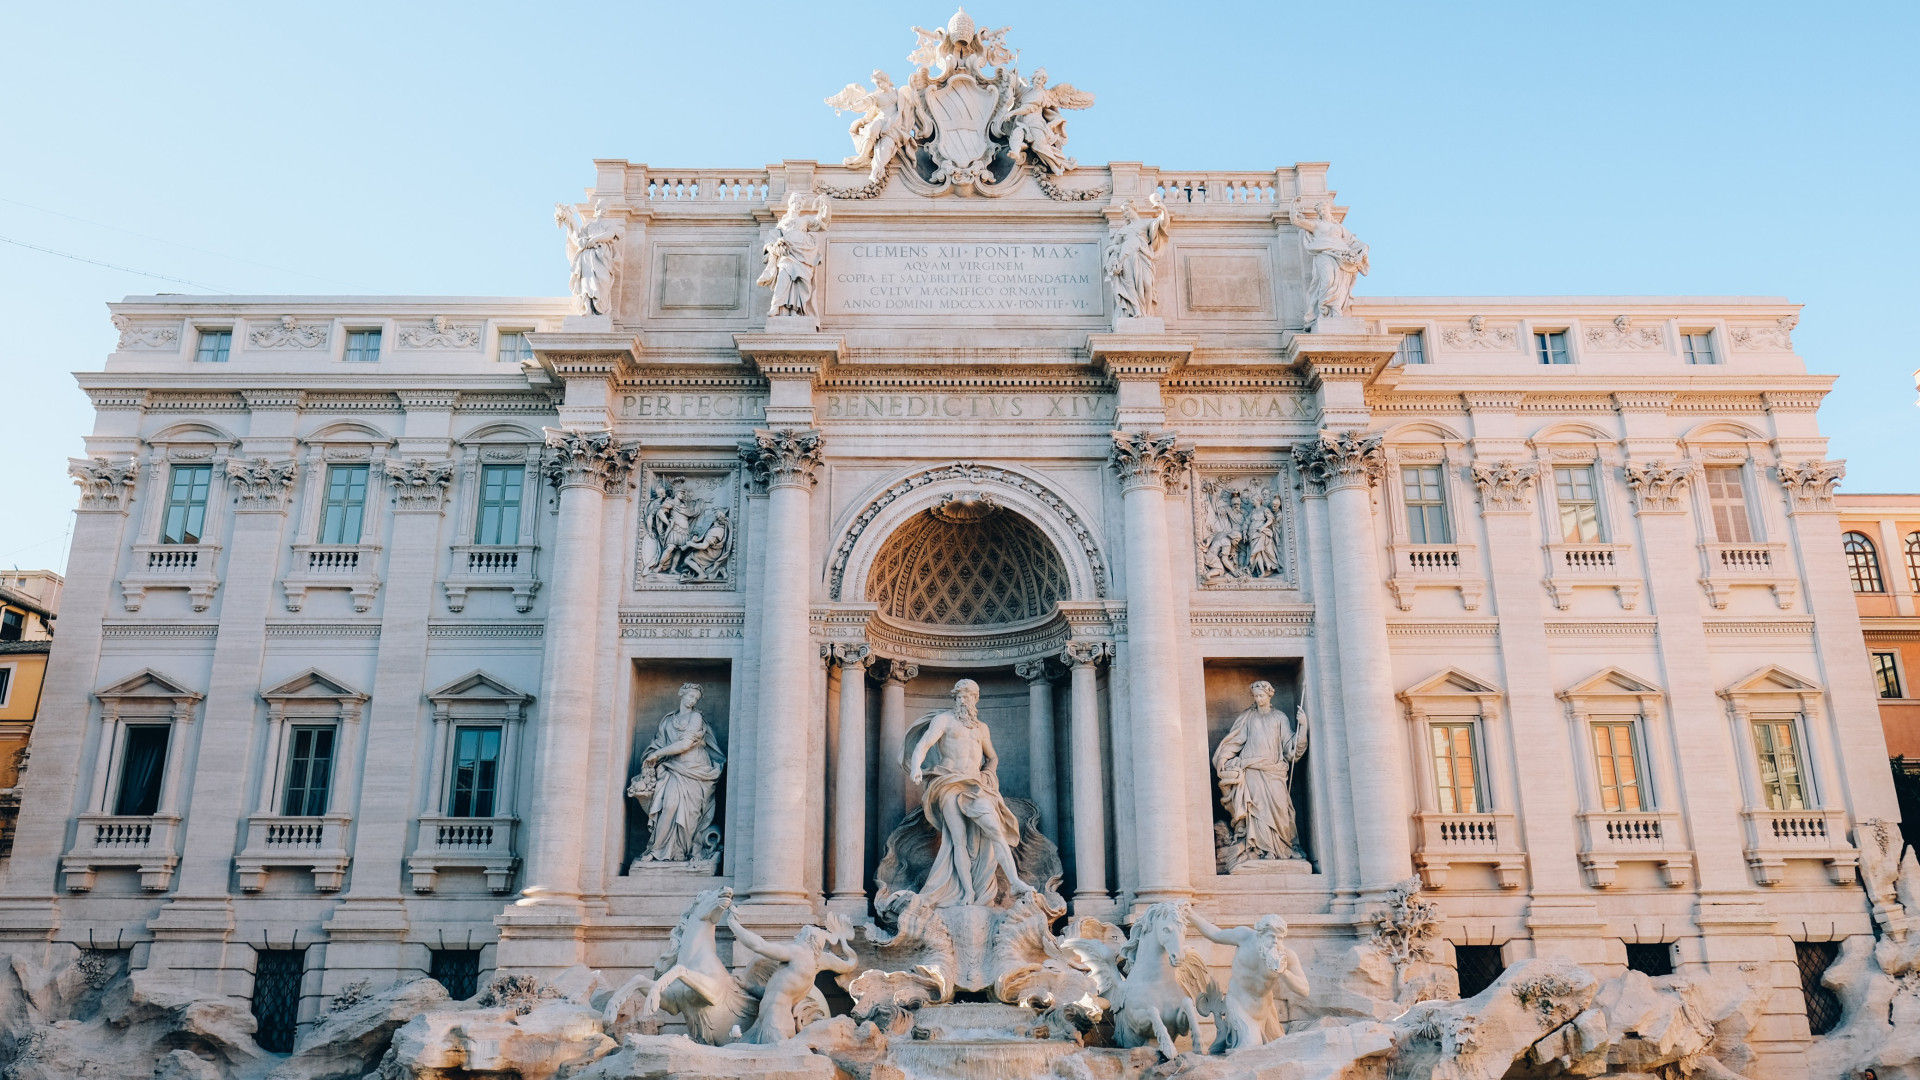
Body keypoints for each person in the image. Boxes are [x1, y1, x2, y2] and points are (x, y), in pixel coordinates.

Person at [904, 678, 1036, 907]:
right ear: (955, 698)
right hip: (948, 783)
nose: (965, 700)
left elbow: (992, 756)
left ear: (976, 699)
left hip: (976, 785)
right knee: (958, 840)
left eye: (969, 696)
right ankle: (966, 893)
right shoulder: (943, 720)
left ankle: (1014, 881)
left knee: (995, 829)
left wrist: (988, 774)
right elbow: (923, 745)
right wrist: (916, 767)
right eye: (961, 696)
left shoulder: (981, 728)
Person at [629, 684, 725, 862]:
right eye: (690, 696)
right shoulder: (667, 721)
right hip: (673, 768)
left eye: (695, 699)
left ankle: (682, 852)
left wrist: (658, 754)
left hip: (696, 770)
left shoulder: (696, 717)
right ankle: (656, 850)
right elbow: (657, 743)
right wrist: (652, 755)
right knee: (669, 806)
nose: (692, 701)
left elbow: (685, 744)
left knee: (689, 815)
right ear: (682, 695)